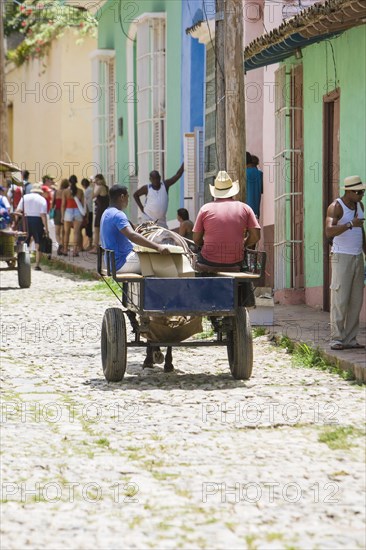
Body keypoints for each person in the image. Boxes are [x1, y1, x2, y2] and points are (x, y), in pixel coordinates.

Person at [325, 175, 366, 350]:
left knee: (356, 300)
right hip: (341, 256)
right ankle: (337, 338)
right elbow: (328, 232)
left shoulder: (360, 206)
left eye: (363, 192)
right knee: (340, 299)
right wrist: (350, 224)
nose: (361, 195)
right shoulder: (336, 207)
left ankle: (350, 339)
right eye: (358, 192)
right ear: (348, 191)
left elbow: (361, 231)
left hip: (357, 257)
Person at [193, 170, 260, 267]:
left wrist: (204, 244)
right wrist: (243, 245)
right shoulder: (246, 208)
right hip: (236, 261)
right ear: (232, 191)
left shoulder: (205, 209)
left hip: (208, 260)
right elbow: (256, 236)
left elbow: (196, 239)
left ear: (215, 192)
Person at [100, 184, 171, 273]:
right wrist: (158, 247)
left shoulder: (106, 212)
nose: (128, 200)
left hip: (111, 262)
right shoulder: (118, 214)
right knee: (161, 260)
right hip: (122, 262)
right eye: (127, 197)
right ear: (122, 197)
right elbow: (132, 235)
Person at [133, 163, 184, 228]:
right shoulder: (146, 188)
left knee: (165, 236)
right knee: (149, 236)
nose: (156, 180)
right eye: (153, 179)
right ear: (150, 179)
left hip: (161, 221)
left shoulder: (165, 185)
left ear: (160, 177)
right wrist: (141, 208)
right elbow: (135, 195)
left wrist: (183, 164)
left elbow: (177, 175)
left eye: (157, 178)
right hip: (148, 218)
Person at [15, 183, 49, 271]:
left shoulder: (25, 197)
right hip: (37, 221)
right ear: (40, 192)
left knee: (23, 241)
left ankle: (22, 261)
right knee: (38, 243)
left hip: (25, 219)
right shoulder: (42, 199)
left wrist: (16, 222)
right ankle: (37, 264)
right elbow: (43, 215)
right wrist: (46, 228)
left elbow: (18, 210)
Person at [61, 175, 85, 257]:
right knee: (76, 232)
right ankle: (75, 251)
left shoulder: (65, 192)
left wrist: (62, 216)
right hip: (77, 211)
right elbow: (82, 204)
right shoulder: (80, 191)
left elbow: (63, 205)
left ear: (69, 182)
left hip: (68, 211)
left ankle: (65, 250)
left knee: (67, 232)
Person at [89, 174, 109, 254]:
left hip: (101, 210)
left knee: (96, 229)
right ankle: (104, 246)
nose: (95, 182)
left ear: (100, 180)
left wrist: (93, 187)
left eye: (97, 180)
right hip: (106, 210)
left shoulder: (100, 188)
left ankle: (96, 247)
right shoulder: (106, 187)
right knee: (104, 229)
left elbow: (92, 196)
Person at [52, 179, 69, 255]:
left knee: (57, 231)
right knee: (64, 231)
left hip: (58, 212)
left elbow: (53, 203)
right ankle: (64, 246)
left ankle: (60, 244)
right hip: (66, 212)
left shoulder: (56, 192)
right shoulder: (68, 192)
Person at [246, 152, 263, 218]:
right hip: (255, 212)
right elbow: (261, 191)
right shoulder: (260, 174)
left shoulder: (242, 173)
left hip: (244, 212)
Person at [81, 177, 93, 250]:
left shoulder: (87, 191)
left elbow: (86, 203)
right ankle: (89, 244)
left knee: (88, 228)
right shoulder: (91, 189)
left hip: (89, 211)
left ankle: (90, 244)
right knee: (89, 227)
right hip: (91, 210)